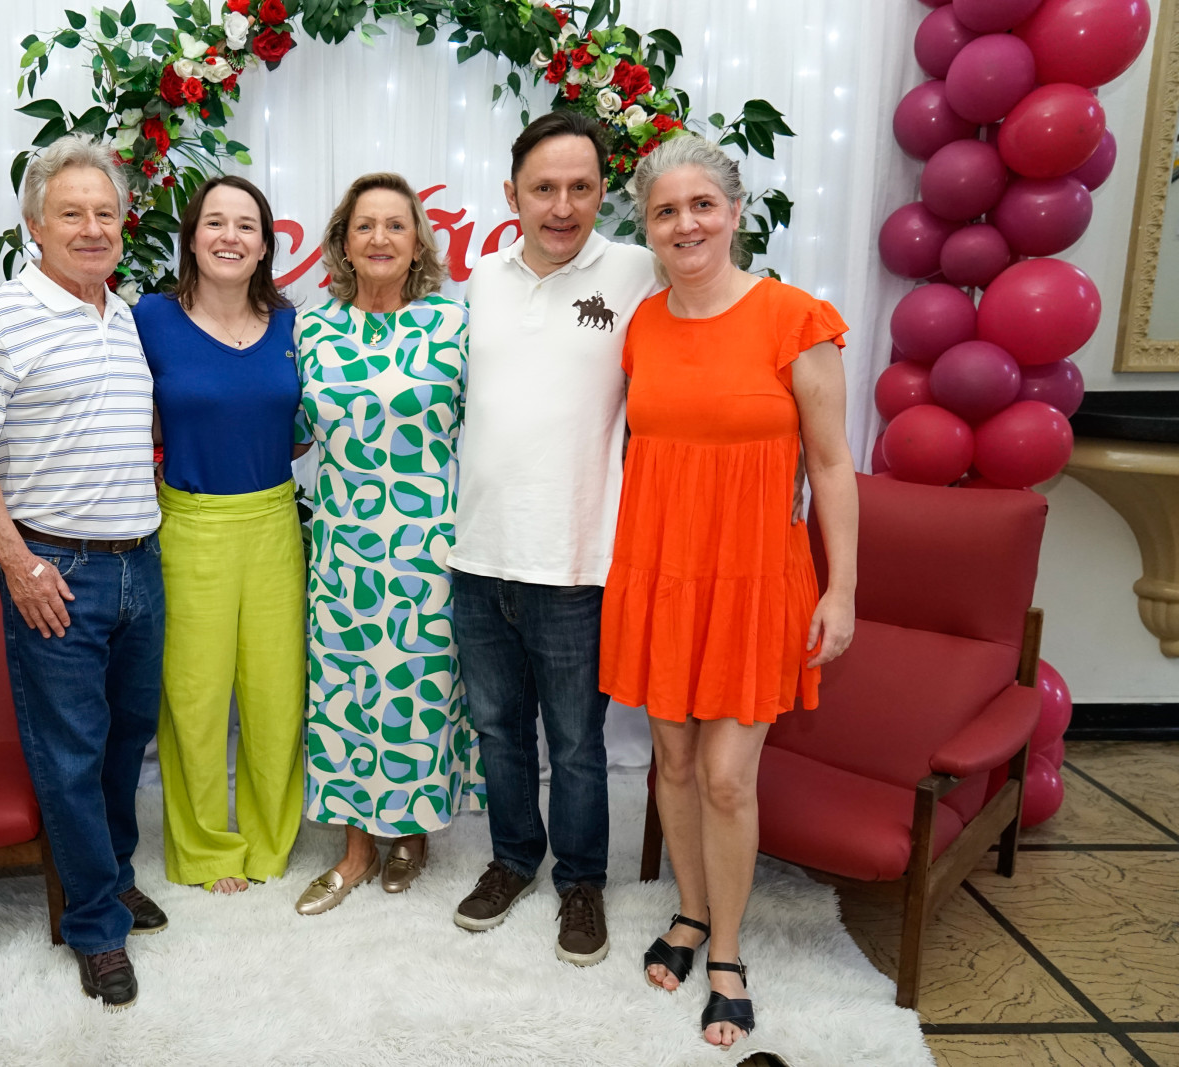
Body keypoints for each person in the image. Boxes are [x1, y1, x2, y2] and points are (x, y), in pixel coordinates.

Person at [602, 134, 858, 1049]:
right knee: (672, 763)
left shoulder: (795, 319)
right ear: (647, 226)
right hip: (662, 574)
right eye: (666, 211)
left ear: (736, 211)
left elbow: (832, 464)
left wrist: (842, 589)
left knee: (723, 775)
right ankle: (690, 909)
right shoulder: (641, 325)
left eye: (702, 205)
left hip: (755, 579)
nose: (686, 224)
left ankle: (728, 951)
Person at [0, 133, 168, 1011]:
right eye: (72, 213)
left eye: (106, 212)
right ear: (35, 224)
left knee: (125, 741)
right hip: (55, 570)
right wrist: (18, 563)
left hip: (141, 564)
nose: (92, 227)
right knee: (71, 754)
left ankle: (110, 877)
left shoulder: (128, 315)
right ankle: (94, 927)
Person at [449, 110, 662, 967]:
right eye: (544, 188)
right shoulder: (481, 281)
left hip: (577, 561)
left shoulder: (639, 270)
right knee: (498, 730)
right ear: (513, 195)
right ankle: (512, 859)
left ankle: (581, 881)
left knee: (575, 742)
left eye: (581, 187)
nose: (563, 206)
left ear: (604, 191)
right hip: (478, 554)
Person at [292, 172, 485, 915]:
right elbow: (291, 429)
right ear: (343, 243)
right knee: (343, 692)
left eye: (395, 225)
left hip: (428, 545)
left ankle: (410, 832)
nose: (379, 238)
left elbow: (493, 425)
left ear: (417, 243)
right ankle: (355, 849)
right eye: (364, 226)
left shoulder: (453, 325)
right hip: (343, 547)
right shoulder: (312, 329)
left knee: (418, 691)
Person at [131, 176, 305, 896]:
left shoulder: (293, 326)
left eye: (246, 225)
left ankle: (269, 839)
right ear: (192, 237)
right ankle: (205, 848)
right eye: (215, 222)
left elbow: (300, 428)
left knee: (276, 697)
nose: (230, 236)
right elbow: (131, 415)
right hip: (190, 526)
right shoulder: (150, 318)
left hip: (273, 524)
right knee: (194, 700)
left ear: (264, 246)